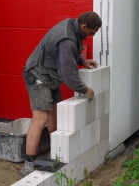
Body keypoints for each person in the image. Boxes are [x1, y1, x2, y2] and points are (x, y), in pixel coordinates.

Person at [21, 11, 102, 176]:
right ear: (84, 26)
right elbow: (69, 75)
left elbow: (66, 54)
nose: (91, 36)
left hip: (51, 76)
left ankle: (56, 152)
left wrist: (82, 61)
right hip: (38, 75)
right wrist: (85, 90)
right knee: (41, 118)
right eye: (91, 32)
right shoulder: (67, 40)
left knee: (54, 117)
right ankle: (28, 164)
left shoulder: (73, 27)